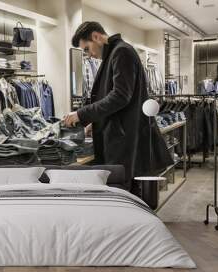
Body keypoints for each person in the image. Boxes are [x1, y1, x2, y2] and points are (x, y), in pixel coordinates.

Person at [63, 21, 173, 188]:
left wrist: (81, 114)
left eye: (87, 49)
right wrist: (96, 121)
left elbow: (120, 96)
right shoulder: (116, 53)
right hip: (122, 137)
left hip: (124, 141)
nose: (89, 55)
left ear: (96, 37)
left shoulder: (121, 52)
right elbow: (116, 97)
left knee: (124, 192)